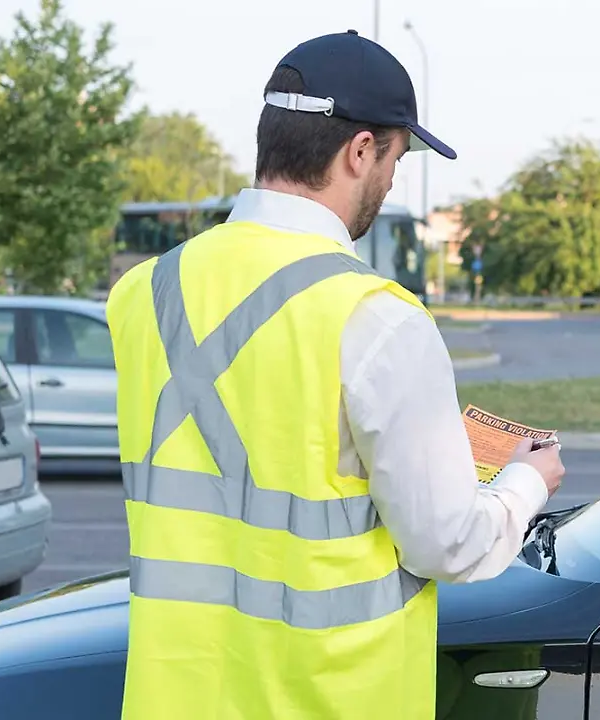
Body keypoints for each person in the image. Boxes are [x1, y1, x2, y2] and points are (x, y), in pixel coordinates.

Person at [106, 30, 565, 720]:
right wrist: (528, 481)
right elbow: (449, 544)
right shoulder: (378, 319)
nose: (387, 182)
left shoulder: (143, 294)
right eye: (395, 160)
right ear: (359, 152)